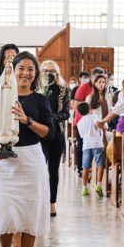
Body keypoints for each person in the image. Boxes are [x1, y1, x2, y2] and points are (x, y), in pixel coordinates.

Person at [0, 51, 53, 247]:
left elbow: (49, 133)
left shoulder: (40, 100)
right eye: (21, 68)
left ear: (36, 74)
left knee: (29, 216)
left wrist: (27, 120)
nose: (25, 73)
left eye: (30, 69)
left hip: (31, 160)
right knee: (5, 213)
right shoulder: (0, 95)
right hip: (4, 163)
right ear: (12, 70)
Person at [39, 60, 70, 216]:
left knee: (53, 170)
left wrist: (51, 118)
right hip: (39, 134)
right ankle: (39, 202)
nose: (49, 73)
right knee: (39, 170)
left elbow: (66, 113)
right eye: (45, 70)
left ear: (57, 73)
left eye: (52, 71)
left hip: (57, 133)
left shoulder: (63, 90)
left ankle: (51, 202)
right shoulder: (36, 90)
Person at [76, 102, 104, 197]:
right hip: (97, 143)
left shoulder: (79, 123)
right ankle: (98, 185)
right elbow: (98, 124)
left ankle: (84, 188)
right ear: (89, 109)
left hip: (86, 145)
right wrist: (102, 126)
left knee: (85, 167)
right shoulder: (94, 116)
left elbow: (81, 135)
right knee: (100, 164)